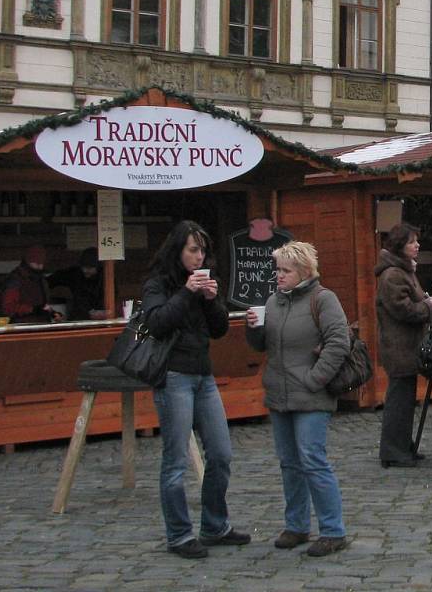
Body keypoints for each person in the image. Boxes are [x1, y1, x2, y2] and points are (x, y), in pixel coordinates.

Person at [142, 220, 251, 559]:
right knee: (175, 460)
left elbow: (218, 330)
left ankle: (215, 526)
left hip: (203, 376)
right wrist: (187, 292)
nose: (199, 256)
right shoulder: (158, 284)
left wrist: (211, 300)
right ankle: (178, 535)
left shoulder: (205, 282)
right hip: (173, 375)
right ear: (178, 251)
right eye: (193, 250)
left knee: (220, 454)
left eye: (203, 250)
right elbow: (156, 322)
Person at [245, 241, 351, 557]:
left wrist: (314, 379)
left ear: (303, 272)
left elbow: (338, 343)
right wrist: (253, 329)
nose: (279, 276)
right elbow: (262, 346)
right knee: (289, 464)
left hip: (310, 396)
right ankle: (296, 525)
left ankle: (333, 530)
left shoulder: (324, 300)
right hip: (279, 394)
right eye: (277, 269)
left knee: (312, 460)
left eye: (285, 270)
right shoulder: (274, 302)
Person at [374, 223, 432, 468]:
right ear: (400, 246)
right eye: (412, 242)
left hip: (406, 346)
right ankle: (393, 450)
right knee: (399, 400)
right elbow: (403, 309)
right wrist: (428, 307)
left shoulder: (404, 271)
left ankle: (402, 445)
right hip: (398, 346)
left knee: (405, 398)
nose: (417, 245)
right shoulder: (393, 275)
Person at [1, 245, 61, 323]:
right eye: (35, 263)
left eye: (41, 263)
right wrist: (32, 309)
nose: (39, 266)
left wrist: (52, 313)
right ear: (27, 261)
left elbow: (43, 305)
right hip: (23, 327)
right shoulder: (16, 279)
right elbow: (8, 307)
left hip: (42, 325)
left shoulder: (41, 279)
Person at [47, 247, 106, 321]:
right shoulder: (75, 274)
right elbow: (52, 279)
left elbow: (109, 301)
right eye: (83, 267)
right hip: (77, 319)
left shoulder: (106, 279)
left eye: (89, 268)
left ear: (97, 268)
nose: (85, 270)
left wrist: (98, 312)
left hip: (99, 321)